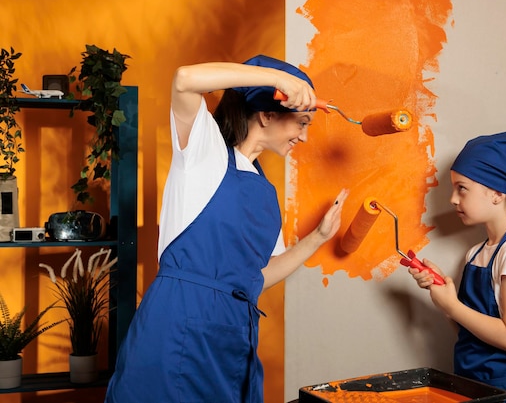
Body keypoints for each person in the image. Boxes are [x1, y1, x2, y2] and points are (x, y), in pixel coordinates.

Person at [105, 55, 348, 403]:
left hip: (232, 335)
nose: (305, 137)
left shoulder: (265, 191)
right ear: (266, 114)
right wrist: (277, 78)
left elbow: (256, 278)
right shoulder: (204, 153)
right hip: (180, 325)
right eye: (302, 123)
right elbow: (185, 77)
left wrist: (318, 239)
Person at [409, 132, 506, 403]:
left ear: (497, 193)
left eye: (461, 188)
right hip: (471, 387)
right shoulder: (475, 253)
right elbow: (472, 335)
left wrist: (453, 307)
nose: (453, 199)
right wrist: (445, 297)